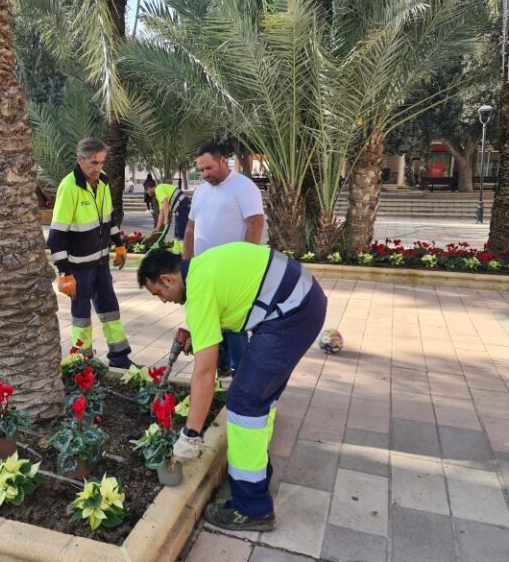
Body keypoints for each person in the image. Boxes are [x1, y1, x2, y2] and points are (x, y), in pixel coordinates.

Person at [137, 244, 327, 531]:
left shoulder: (199, 290)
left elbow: (204, 373)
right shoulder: (201, 269)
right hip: (301, 300)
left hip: (292, 312)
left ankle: (252, 508)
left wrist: (191, 434)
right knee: (260, 393)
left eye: (159, 294)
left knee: (244, 400)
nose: (163, 301)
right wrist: (197, 329)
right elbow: (229, 301)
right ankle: (255, 473)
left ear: (167, 279)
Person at [47, 138, 136, 369]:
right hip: (78, 267)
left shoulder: (103, 183)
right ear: (80, 159)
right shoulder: (70, 187)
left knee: (110, 308)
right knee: (81, 313)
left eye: (101, 162)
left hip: (100, 263)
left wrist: (119, 244)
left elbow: (108, 220)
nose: (98, 168)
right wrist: (64, 273)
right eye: (93, 162)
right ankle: (82, 359)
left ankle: (120, 357)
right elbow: (56, 236)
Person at [184, 141, 264, 377]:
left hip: (233, 271)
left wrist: (246, 263)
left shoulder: (244, 187)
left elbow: (255, 223)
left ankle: (243, 375)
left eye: (209, 168)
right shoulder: (200, 191)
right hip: (204, 270)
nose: (205, 174)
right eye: (201, 170)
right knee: (212, 323)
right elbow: (190, 228)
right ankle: (221, 371)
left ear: (222, 161)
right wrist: (187, 264)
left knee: (235, 326)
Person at [143, 177, 191, 254]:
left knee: (181, 231)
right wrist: (157, 228)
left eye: (146, 191)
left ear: (148, 188)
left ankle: (184, 253)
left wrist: (166, 219)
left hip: (183, 206)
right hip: (181, 207)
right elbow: (162, 212)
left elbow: (165, 204)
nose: (148, 193)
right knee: (178, 231)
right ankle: (178, 253)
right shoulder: (158, 196)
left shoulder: (158, 188)